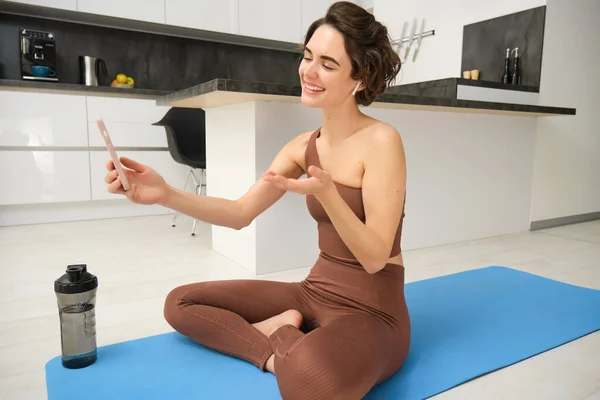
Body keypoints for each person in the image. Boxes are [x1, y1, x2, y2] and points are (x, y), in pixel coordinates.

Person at [105, 2, 409, 399]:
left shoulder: (382, 141)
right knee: (180, 302)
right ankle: (276, 346)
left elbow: (373, 257)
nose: (309, 72)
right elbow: (238, 213)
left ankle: (282, 329)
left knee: (311, 386)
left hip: (374, 311)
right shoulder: (302, 147)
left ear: (360, 77)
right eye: (307, 57)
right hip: (313, 292)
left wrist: (329, 195)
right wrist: (164, 193)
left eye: (328, 64)